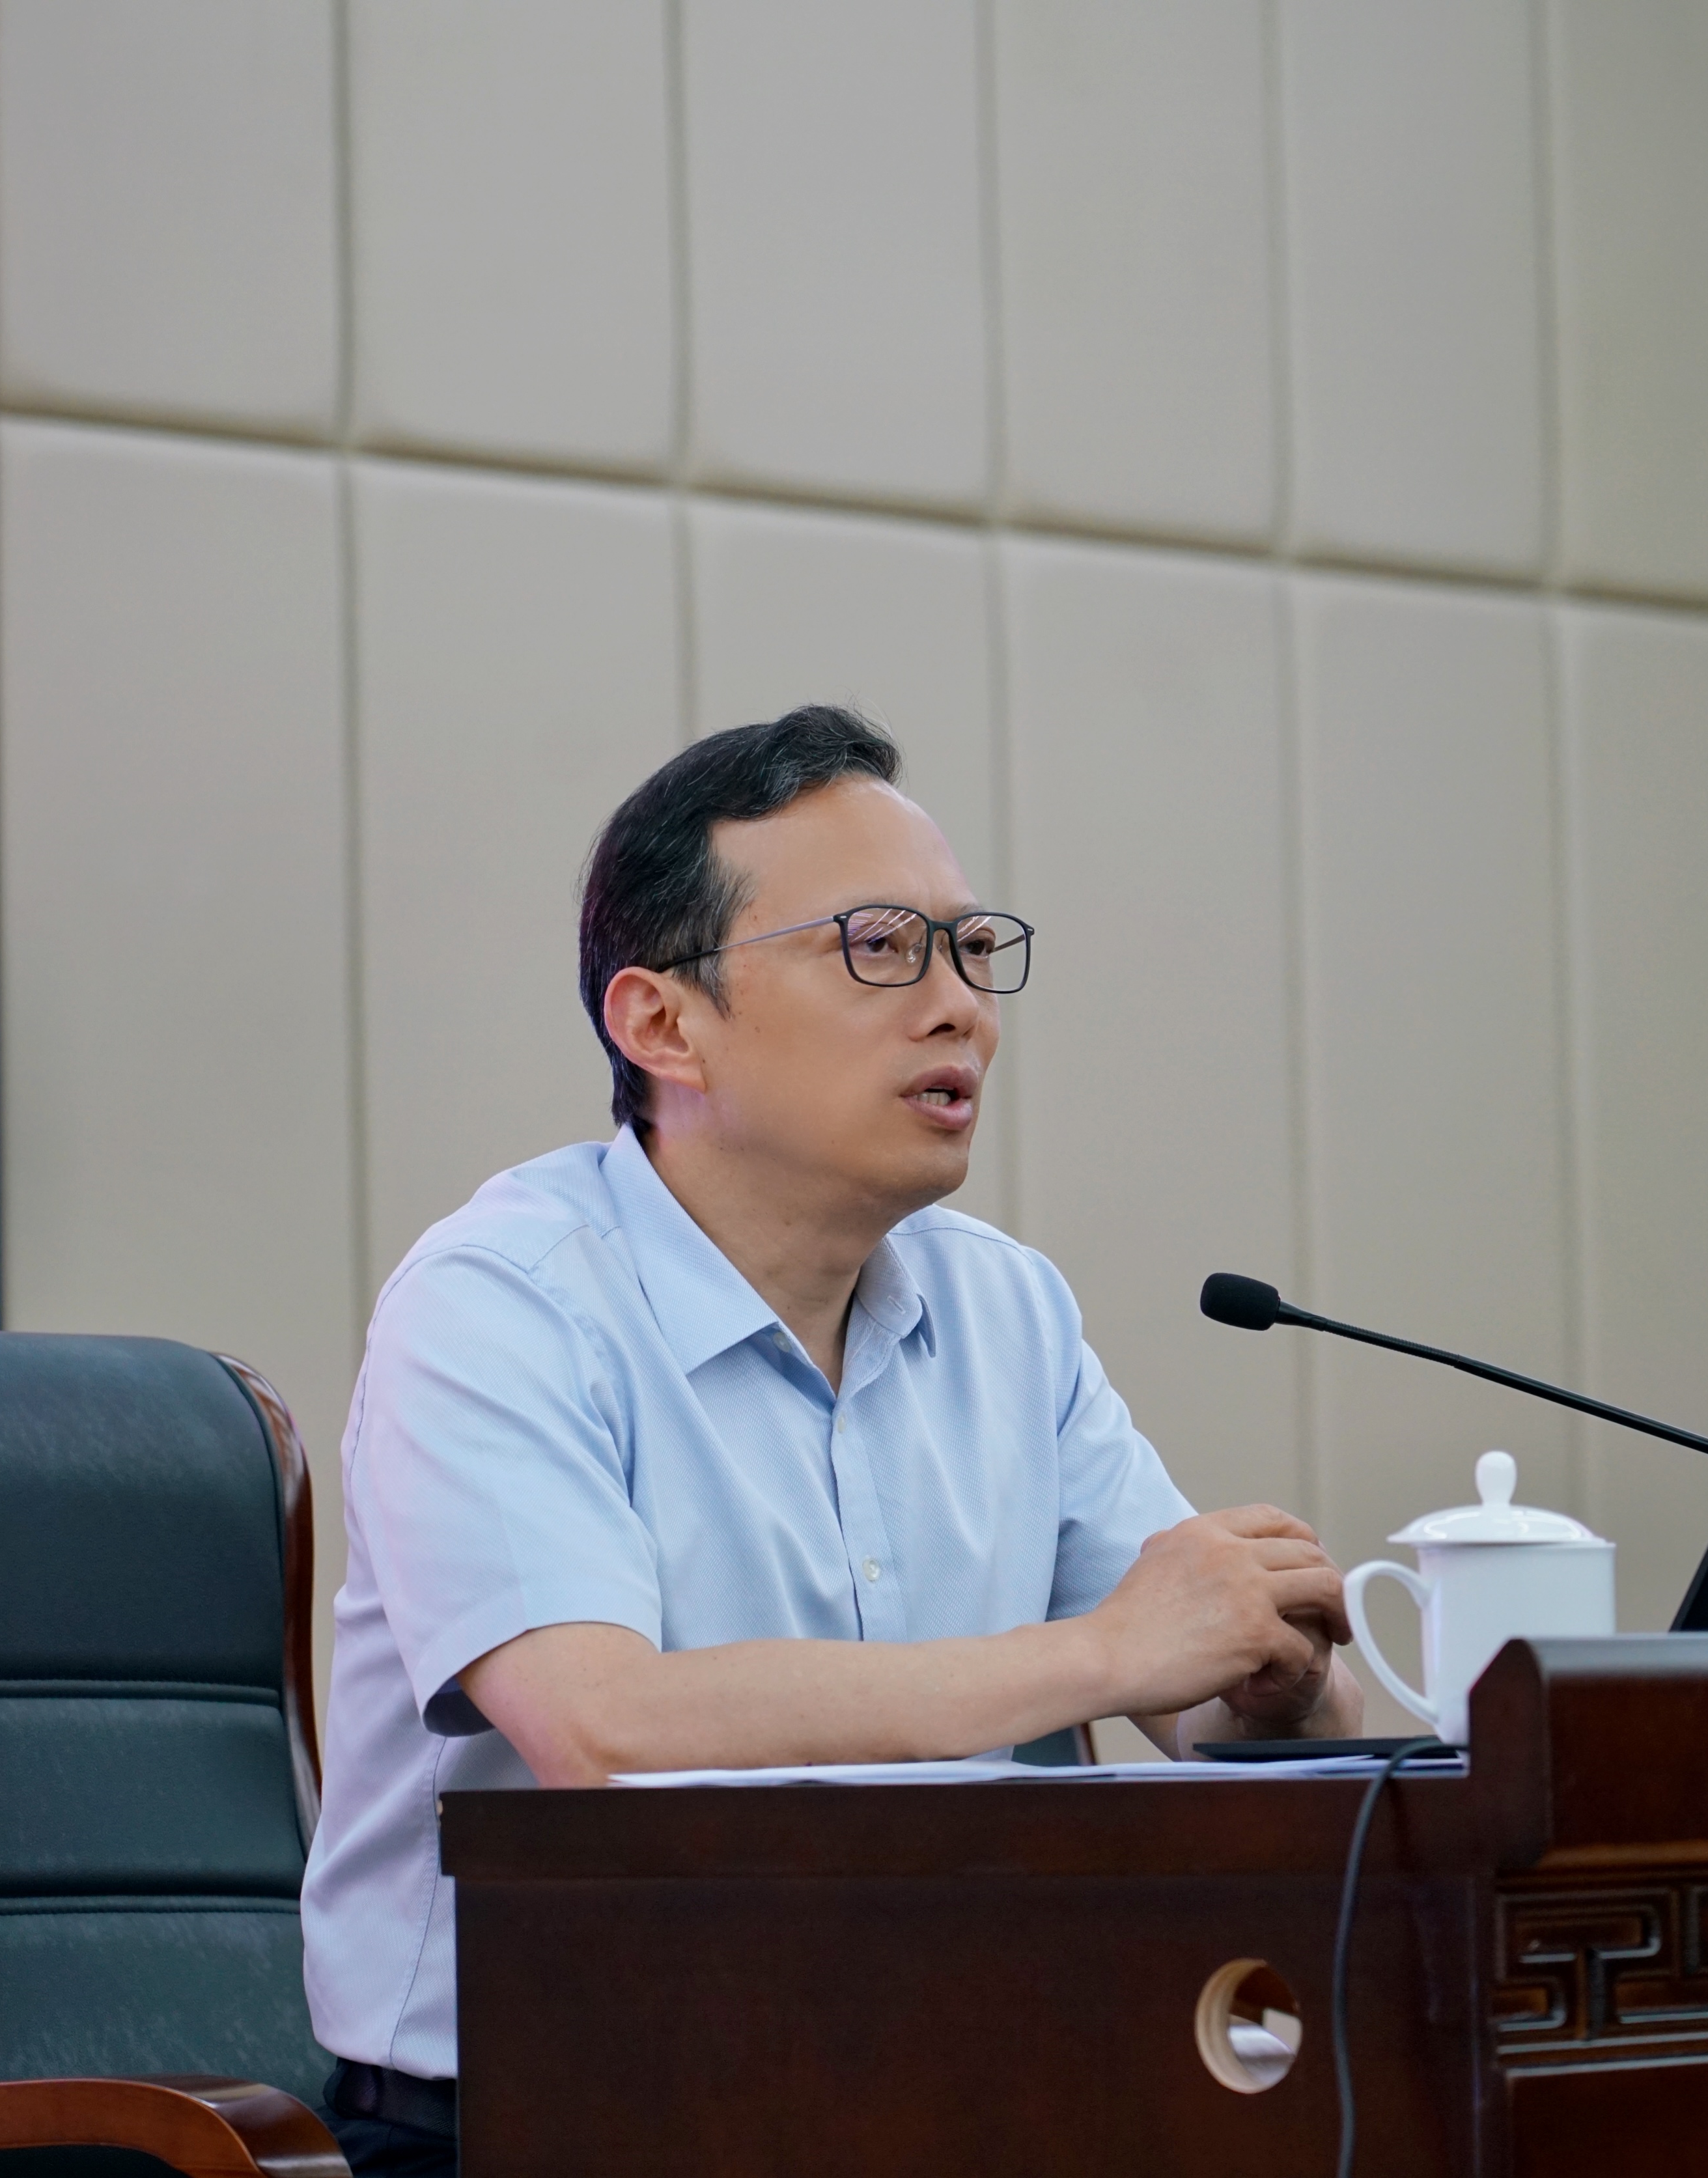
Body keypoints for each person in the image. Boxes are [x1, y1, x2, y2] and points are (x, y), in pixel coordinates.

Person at [300, 706, 1363, 2173]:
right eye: (879, 948)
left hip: (953, 2100)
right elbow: (602, 1729)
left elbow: (1198, 1704)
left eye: (971, 949)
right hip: (549, 2121)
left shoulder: (1007, 1310)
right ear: (662, 1023)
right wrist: (1110, 1652)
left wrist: (1280, 1679)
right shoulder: (500, 1302)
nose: (961, 1008)